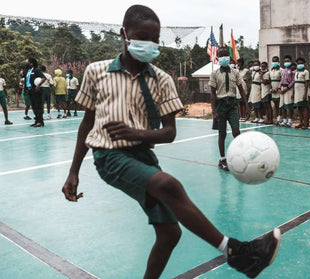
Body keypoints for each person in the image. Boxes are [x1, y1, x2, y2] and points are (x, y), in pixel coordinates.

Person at [61, 6, 279, 279]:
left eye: (154, 39)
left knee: (169, 233)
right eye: (142, 37)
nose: (148, 45)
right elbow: (87, 123)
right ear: (124, 34)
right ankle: (237, 254)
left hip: (143, 157)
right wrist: (73, 171)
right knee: (169, 185)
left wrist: (136, 133)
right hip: (109, 157)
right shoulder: (96, 72)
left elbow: (169, 133)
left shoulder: (161, 80)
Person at [210, 48, 250, 171]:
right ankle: (222, 159)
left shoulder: (235, 73)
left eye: (226, 55)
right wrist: (214, 111)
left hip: (232, 105)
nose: (224, 57)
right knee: (221, 134)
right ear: (217, 58)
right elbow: (213, 94)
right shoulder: (215, 74)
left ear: (229, 57)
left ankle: (239, 157)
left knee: (236, 132)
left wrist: (246, 105)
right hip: (220, 105)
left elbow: (241, 89)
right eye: (221, 55)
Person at [24, 58, 46, 127]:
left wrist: (38, 85)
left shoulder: (36, 70)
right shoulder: (27, 71)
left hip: (36, 90)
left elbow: (43, 78)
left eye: (27, 61)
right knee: (33, 106)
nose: (26, 62)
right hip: (29, 90)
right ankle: (37, 120)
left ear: (31, 63)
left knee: (38, 106)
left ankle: (40, 122)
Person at [293, 57, 310, 129]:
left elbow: (306, 83)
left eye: (301, 63)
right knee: (299, 108)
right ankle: (301, 122)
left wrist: (305, 94)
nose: (299, 64)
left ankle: (306, 123)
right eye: (298, 63)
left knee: (304, 108)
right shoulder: (296, 72)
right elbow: (295, 83)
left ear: (304, 64)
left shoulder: (306, 72)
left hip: (303, 91)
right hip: (297, 92)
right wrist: (293, 93)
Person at [279, 56, 295, 127]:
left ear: (291, 61)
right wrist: (279, 88)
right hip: (282, 88)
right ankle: (284, 120)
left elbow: (293, 80)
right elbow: (281, 80)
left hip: (288, 88)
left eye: (288, 61)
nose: (286, 62)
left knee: (289, 105)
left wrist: (287, 87)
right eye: (285, 61)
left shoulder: (293, 70)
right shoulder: (283, 70)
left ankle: (290, 120)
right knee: (283, 105)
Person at [269, 56, 282, 125]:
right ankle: (277, 117)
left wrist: (277, 88)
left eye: (276, 61)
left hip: (278, 89)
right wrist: (271, 88)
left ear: (278, 62)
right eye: (273, 61)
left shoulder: (281, 70)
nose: (274, 62)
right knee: (275, 104)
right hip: (272, 89)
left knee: (279, 104)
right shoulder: (270, 70)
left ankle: (280, 118)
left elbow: (282, 79)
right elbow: (270, 80)